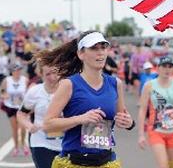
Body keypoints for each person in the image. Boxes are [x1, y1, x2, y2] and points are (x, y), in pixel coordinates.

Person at [41, 30, 134, 168]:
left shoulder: (115, 84)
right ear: (81, 54)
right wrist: (81, 118)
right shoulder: (69, 84)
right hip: (74, 163)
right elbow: (47, 124)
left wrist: (129, 123)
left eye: (103, 47)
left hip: (106, 162)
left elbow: (122, 118)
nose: (100, 52)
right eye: (94, 48)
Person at [138, 56, 173, 168]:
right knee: (163, 165)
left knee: (172, 165)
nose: (167, 69)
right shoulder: (149, 86)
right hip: (156, 131)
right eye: (164, 66)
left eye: (170, 67)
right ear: (158, 68)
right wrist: (141, 134)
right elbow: (142, 110)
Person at [17, 60, 62, 168]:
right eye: (48, 74)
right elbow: (21, 114)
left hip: (65, 143)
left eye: (55, 72)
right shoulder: (35, 92)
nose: (52, 77)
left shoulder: (68, 90)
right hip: (41, 142)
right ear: (40, 74)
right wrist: (30, 126)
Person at [0, 62, 30, 156]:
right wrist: (4, 95)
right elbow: (1, 92)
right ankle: (16, 147)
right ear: (11, 71)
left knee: (23, 127)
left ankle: (23, 145)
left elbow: (30, 92)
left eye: (19, 70)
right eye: (15, 70)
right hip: (10, 106)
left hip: (22, 107)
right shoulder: (7, 80)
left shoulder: (25, 80)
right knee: (15, 128)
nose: (17, 72)